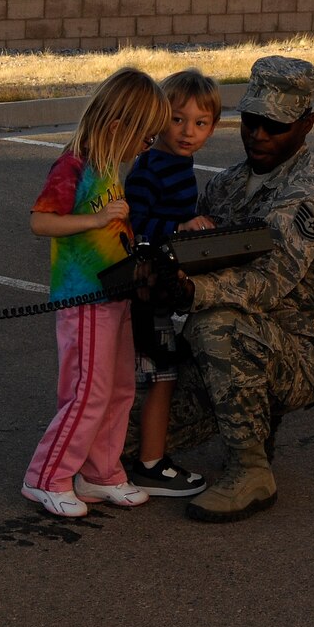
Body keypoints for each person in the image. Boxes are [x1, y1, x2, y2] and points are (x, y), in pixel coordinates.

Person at [143, 55, 314, 523]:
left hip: (293, 355)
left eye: (273, 126)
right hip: (216, 355)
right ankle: (252, 423)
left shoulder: (311, 196)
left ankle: (250, 468)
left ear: (306, 124)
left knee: (219, 323)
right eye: (251, 121)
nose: (258, 134)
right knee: (123, 444)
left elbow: (266, 282)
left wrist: (189, 292)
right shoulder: (227, 185)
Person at [20, 66, 170, 519]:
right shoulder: (74, 165)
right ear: (117, 127)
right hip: (83, 298)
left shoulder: (108, 167)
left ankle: (100, 472)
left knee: (120, 387)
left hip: (116, 292)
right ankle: (46, 476)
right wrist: (95, 221)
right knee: (88, 391)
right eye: (145, 139)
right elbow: (41, 221)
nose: (146, 149)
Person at [121, 67, 220, 499]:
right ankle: (150, 463)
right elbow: (135, 226)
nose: (187, 131)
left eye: (200, 123)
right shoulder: (151, 168)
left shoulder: (178, 162)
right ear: (159, 117)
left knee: (157, 374)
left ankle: (127, 457)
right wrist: (180, 225)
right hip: (143, 292)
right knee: (160, 375)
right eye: (177, 119)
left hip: (160, 287)